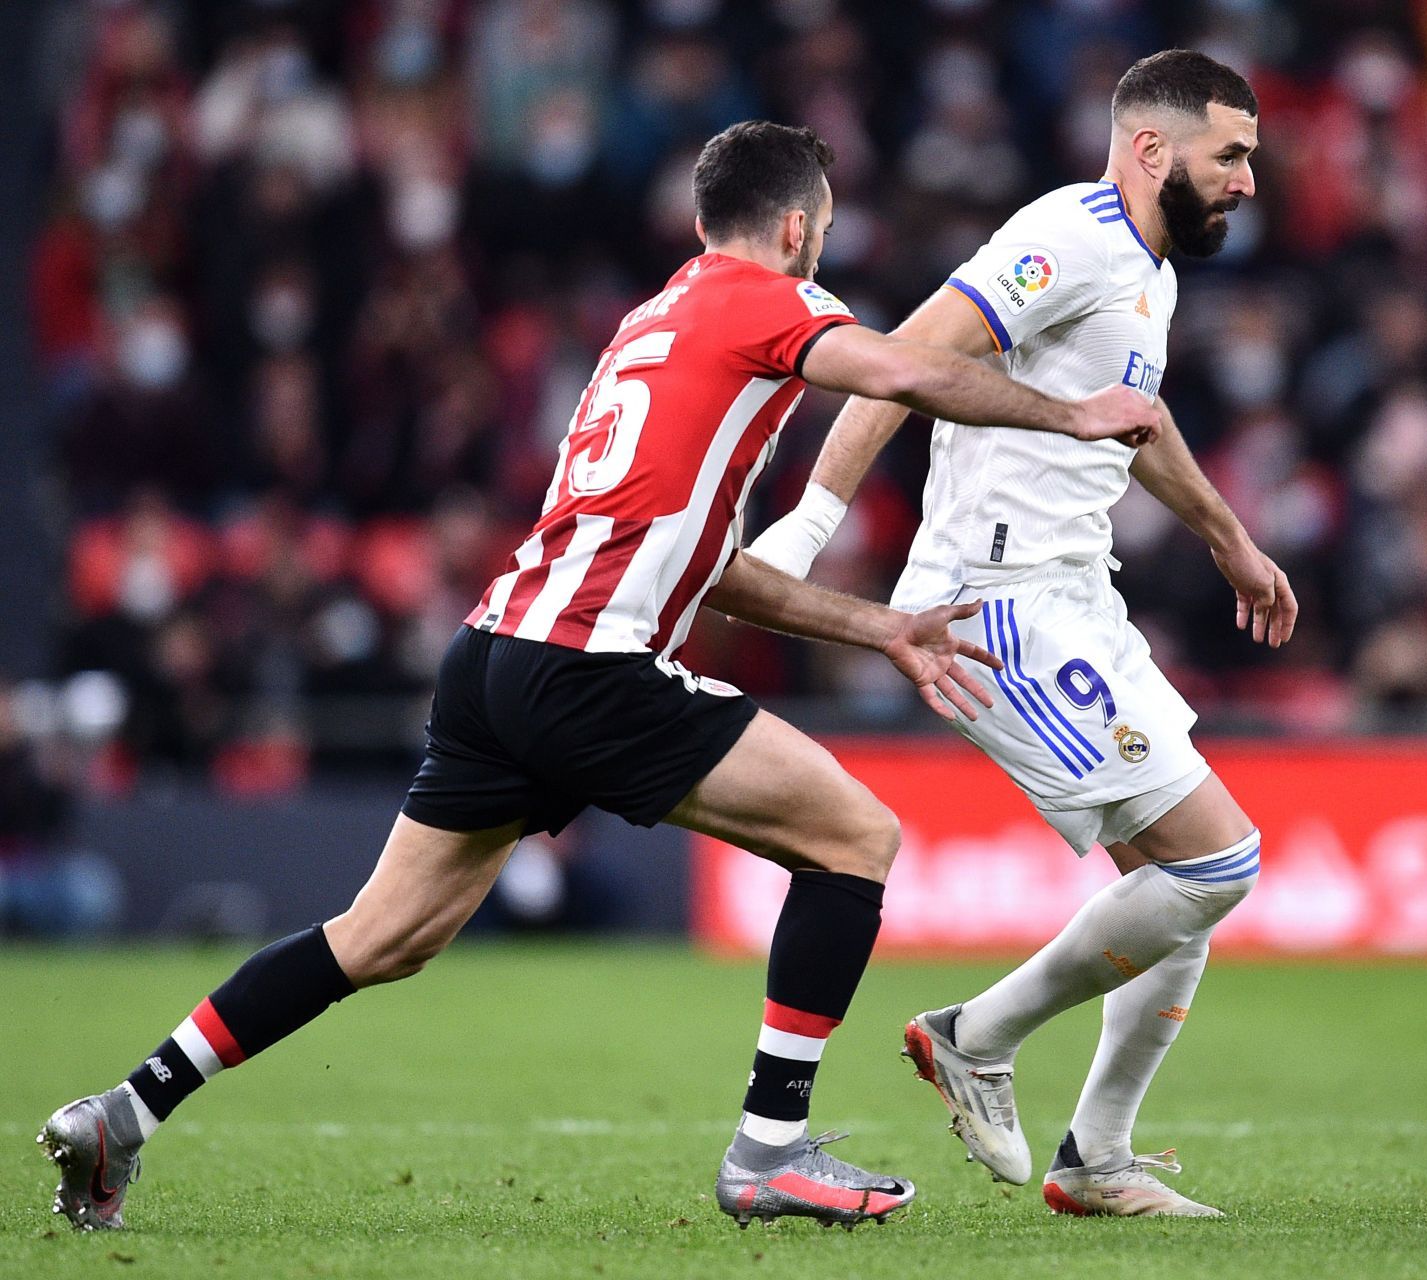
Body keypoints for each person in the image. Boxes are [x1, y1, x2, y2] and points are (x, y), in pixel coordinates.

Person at [37, 120, 1162, 1234]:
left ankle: (124, 1111)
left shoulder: (652, 321)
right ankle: (770, 1150)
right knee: (854, 838)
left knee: (378, 937)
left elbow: (708, 567)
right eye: (817, 232)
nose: (820, 252)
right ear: (796, 225)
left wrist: (881, 626)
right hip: (590, 665)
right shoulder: (767, 298)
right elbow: (908, 371)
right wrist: (1071, 413)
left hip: (494, 656)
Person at [747, 51, 1295, 1217]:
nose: (1250, 180)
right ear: (1152, 150)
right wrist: (808, 526)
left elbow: (1133, 422)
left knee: (1175, 890)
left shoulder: (1148, 267)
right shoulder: (1073, 235)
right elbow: (904, 361)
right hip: (997, 604)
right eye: (1232, 155)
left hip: (1076, 595)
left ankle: (1096, 1159)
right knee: (1219, 861)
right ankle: (974, 1035)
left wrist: (1226, 538)